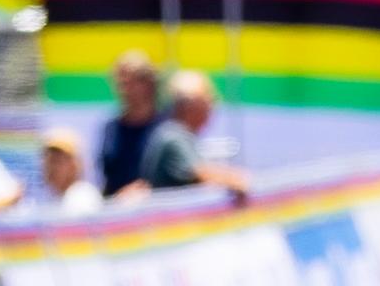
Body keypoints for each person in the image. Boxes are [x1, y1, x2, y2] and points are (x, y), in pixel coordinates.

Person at [114, 70, 252, 202]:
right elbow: (200, 173)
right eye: (209, 101)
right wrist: (238, 180)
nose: (212, 107)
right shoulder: (174, 136)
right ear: (191, 106)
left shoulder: (174, 133)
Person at [94, 51, 165, 198]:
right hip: (116, 207)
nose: (124, 90)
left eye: (131, 83)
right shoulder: (111, 129)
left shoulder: (166, 129)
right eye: (121, 83)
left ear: (149, 83)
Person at [41, 130, 102, 215]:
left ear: (74, 165)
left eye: (56, 161)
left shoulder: (82, 195)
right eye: (47, 160)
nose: (50, 167)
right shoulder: (54, 198)